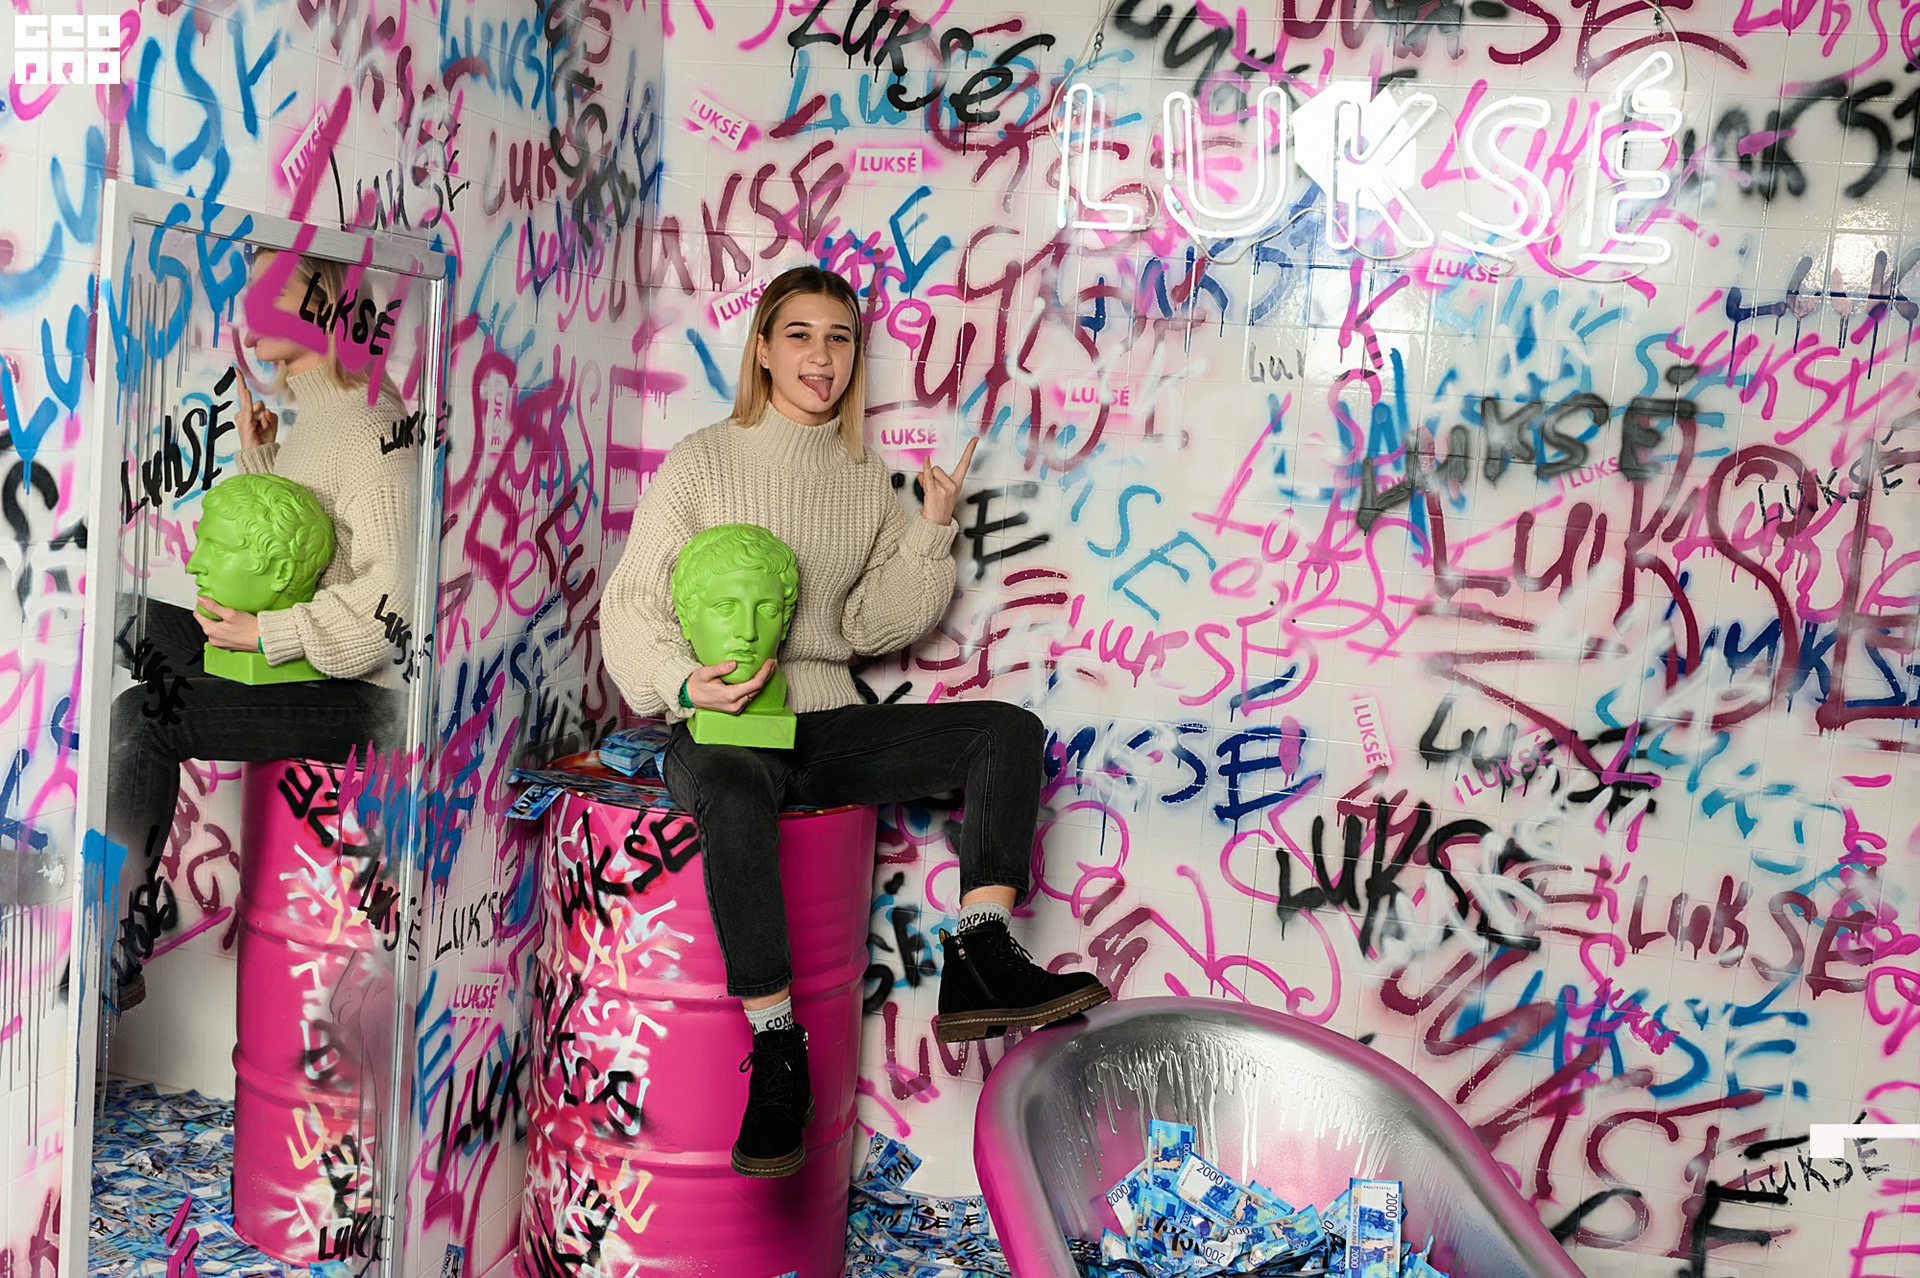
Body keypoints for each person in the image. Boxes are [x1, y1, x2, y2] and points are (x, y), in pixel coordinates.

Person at [601, 265, 1112, 1179]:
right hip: (720, 726)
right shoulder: (701, 462)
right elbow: (633, 602)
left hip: (825, 723)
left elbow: (871, 626)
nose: (821, 356)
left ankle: (981, 954)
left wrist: (930, 529)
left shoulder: (863, 477)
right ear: (763, 350)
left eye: (839, 338)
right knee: (731, 788)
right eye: (799, 335)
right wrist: (684, 684)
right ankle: (778, 1052)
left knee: (1005, 732)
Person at [107, 249, 417, 1010]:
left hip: (359, 695)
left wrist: (269, 634)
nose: (248, 312)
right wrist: (261, 454)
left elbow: (395, 607)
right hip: (296, 659)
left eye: (267, 292)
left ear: (322, 302)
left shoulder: (375, 426)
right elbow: (301, 546)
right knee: (119, 619)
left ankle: (112, 946)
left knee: (144, 717)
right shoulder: (322, 417)